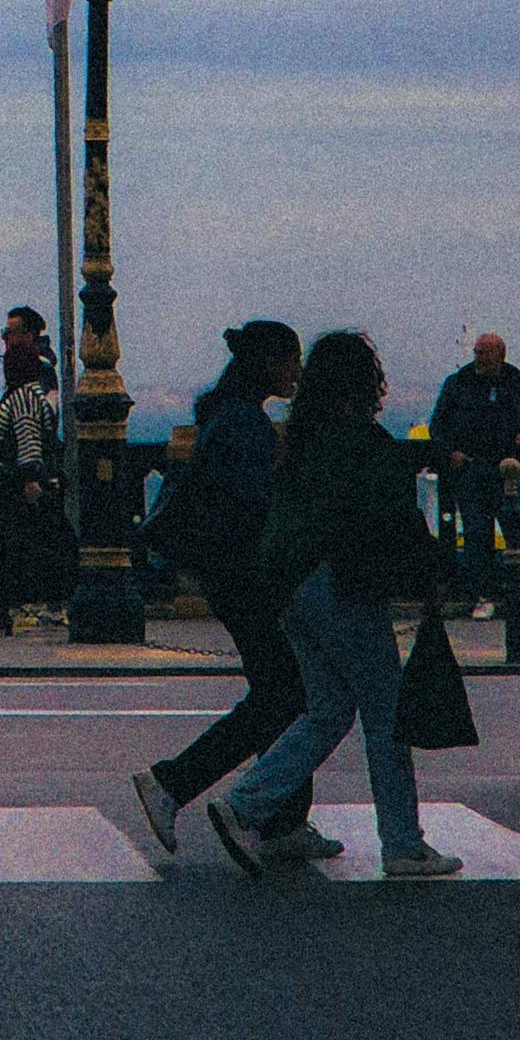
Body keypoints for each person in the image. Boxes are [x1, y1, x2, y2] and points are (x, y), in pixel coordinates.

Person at [206, 329, 462, 886]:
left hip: (292, 587)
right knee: (387, 715)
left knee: (326, 711)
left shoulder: (301, 438)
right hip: (342, 587)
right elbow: (397, 519)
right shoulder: (363, 442)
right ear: (366, 383)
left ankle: (246, 803)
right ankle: (403, 845)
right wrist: (432, 574)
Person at [132, 323, 333, 864]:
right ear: (267, 363)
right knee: (288, 696)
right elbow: (261, 506)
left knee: (284, 694)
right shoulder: (244, 424)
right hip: (247, 581)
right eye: (290, 359)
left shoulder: (232, 416)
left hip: (232, 579)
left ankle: (279, 820)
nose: (297, 371)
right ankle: (179, 786)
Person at [0, 307, 73, 630]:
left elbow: (30, 433)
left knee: (1, 549)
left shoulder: (34, 378)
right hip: (20, 479)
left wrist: (27, 476)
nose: (4, 339)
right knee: (20, 546)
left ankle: (2, 613)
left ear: (27, 335)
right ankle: (11, 610)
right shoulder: (25, 389)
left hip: (18, 482)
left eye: (9, 333)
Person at [430, 329, 520, 612]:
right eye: (476, 352)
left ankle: (518, 596)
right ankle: (483, 596)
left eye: (484, 353)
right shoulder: (458, 383)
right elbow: (437, 426)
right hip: (471, 468)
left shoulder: (515, 381)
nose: (478, 358)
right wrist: (449, 453)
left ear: (499, 355)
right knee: (477, 534)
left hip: (507, 471)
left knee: (516, 533)